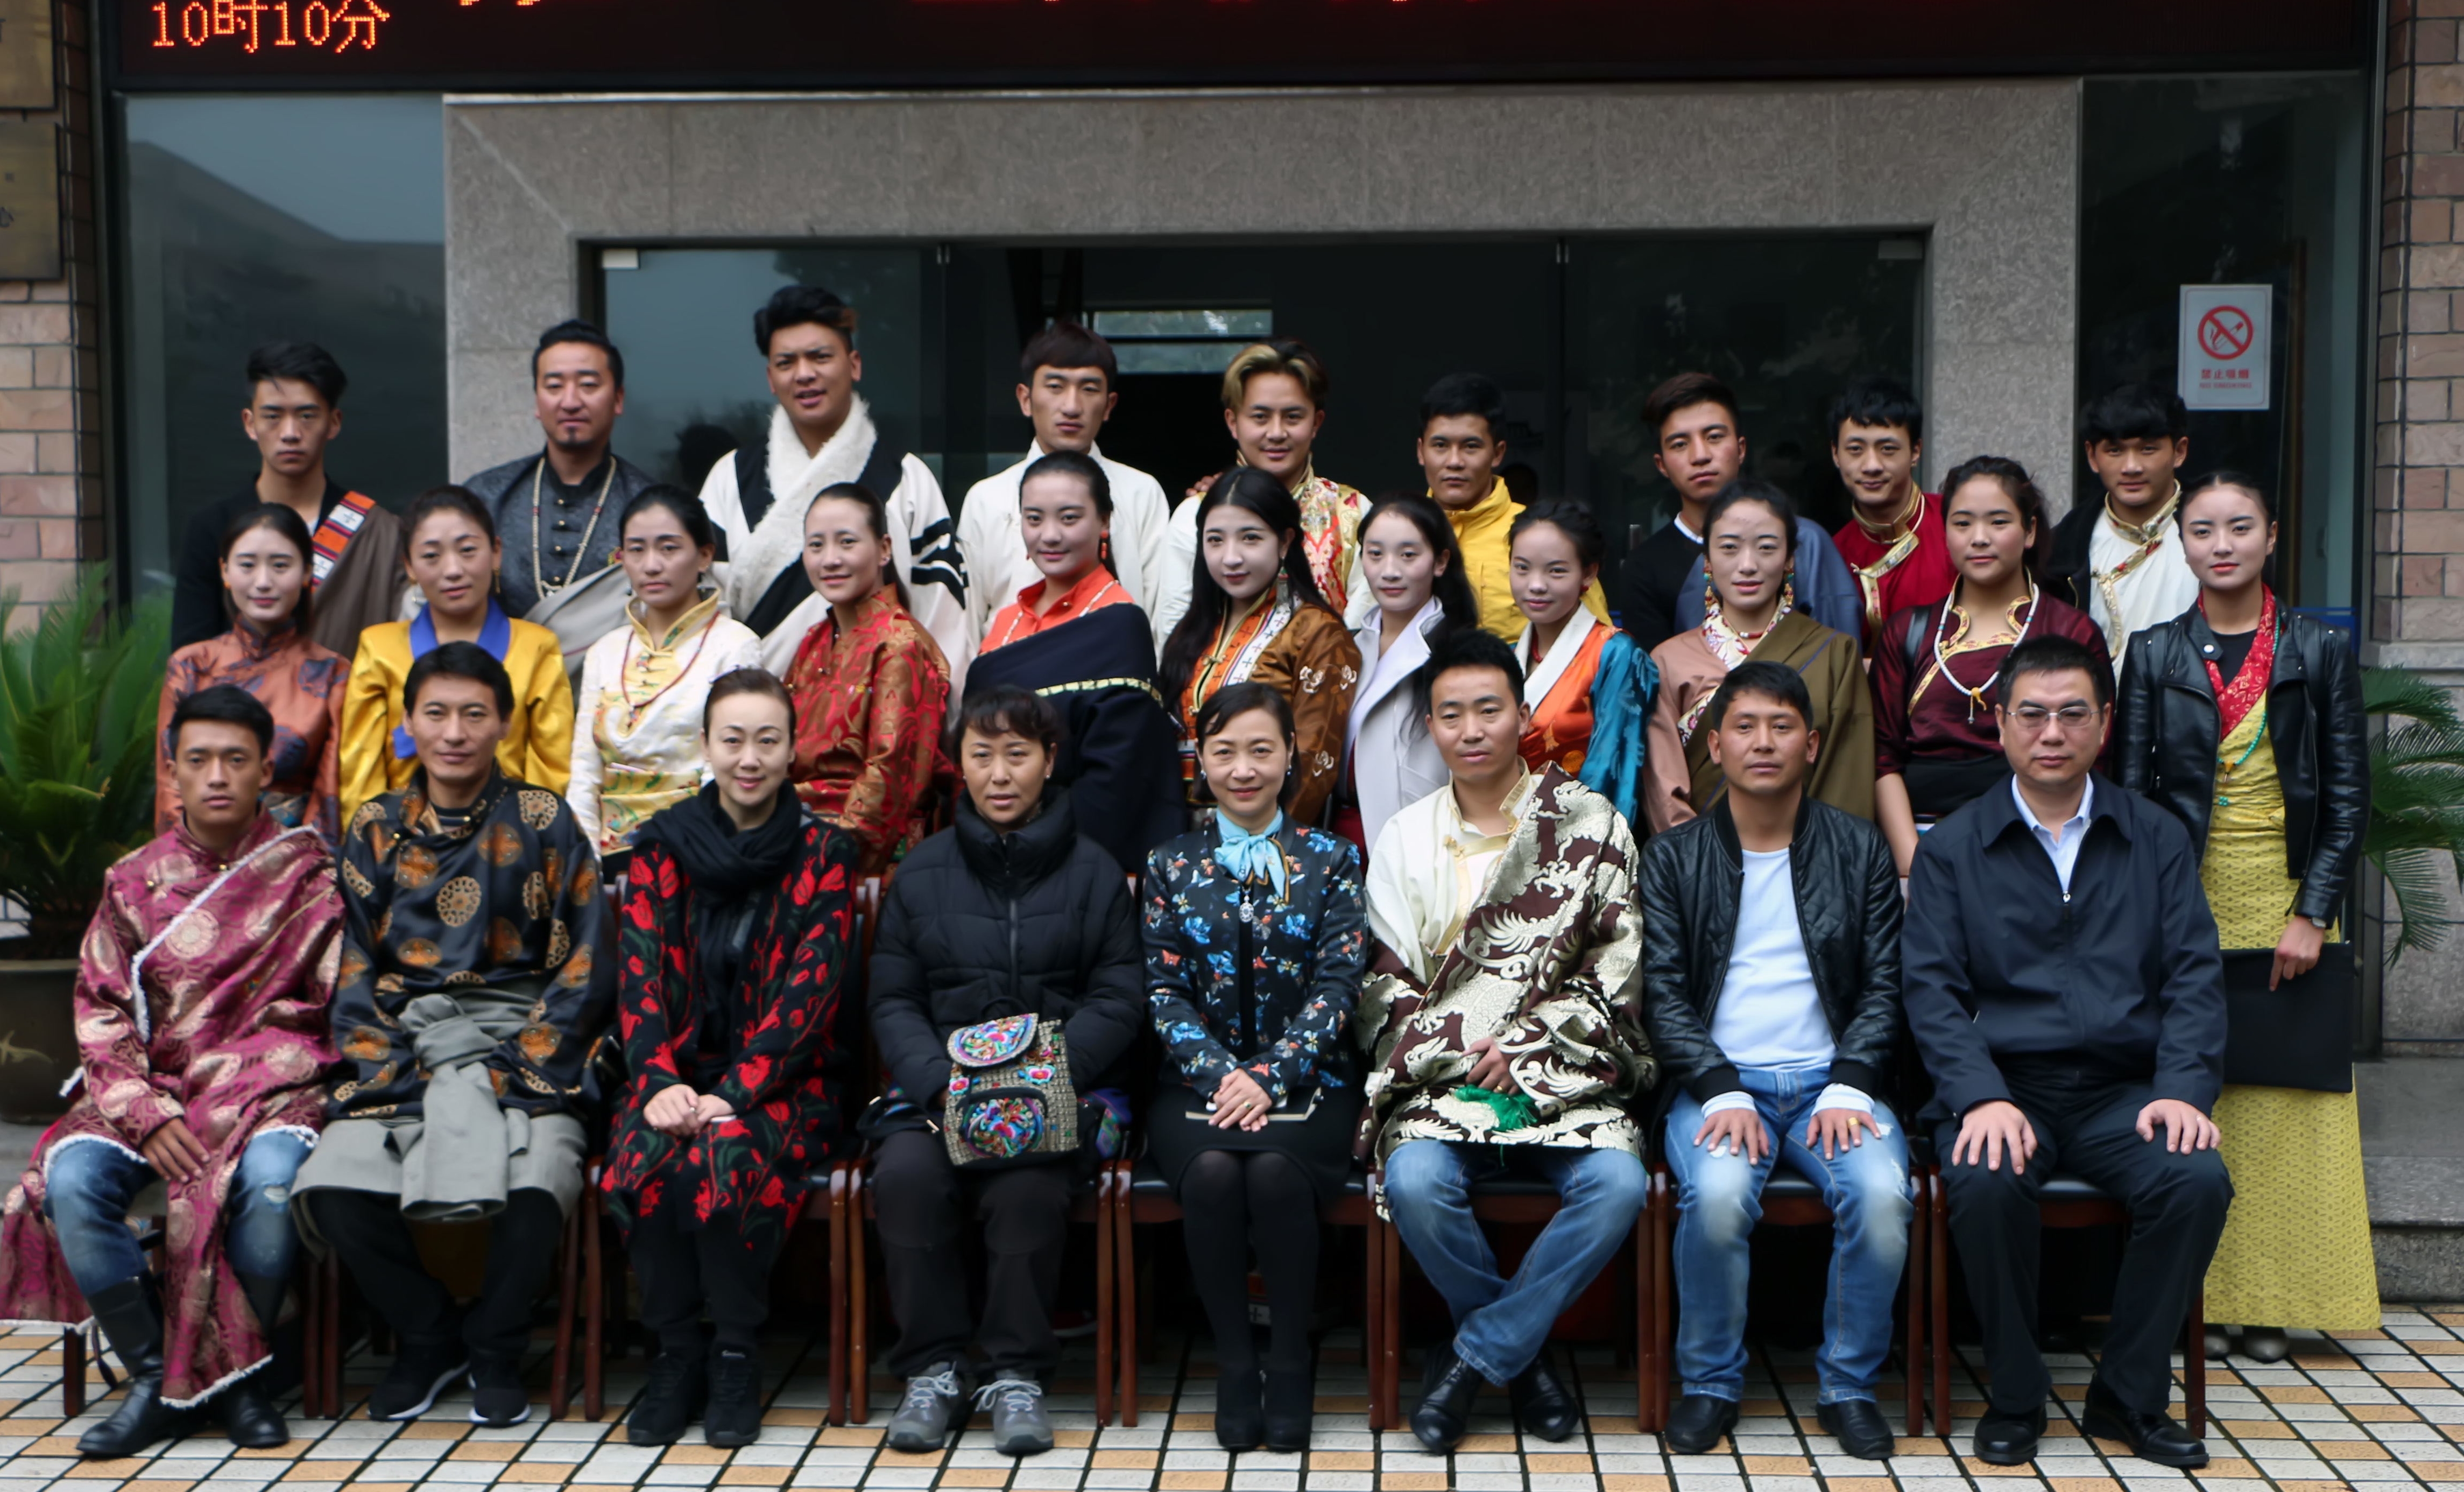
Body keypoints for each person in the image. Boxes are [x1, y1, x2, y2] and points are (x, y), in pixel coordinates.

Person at [1903, 634, 2232, 1470]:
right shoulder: (1952, 847)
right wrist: (1978, 1095)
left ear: (2103, 724)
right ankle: (2015, 1396)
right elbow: (1931, 992)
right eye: (2032, 714)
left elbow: (2193, 978)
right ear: (1999, 725)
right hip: (2004, 1085)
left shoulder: (2153, 837)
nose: (2051, 732)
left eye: (2071, 714)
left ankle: (2125, 1395)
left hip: (2124, 1090)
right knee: (1982, 1178)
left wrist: (2180, 1090)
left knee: (2194, 1179)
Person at [0, 687, 341, 1456]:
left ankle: (240, 1381)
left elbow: (333, 1005)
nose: (217, 775)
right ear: (174, 772)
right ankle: (159, 1380)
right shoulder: (132, 881)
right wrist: (144, 1112)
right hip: (151, 1091)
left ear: (266, 772)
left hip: (270, 1092)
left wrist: (252, 1079)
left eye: (236, 760)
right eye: (199, 760)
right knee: (72, 1180)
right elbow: (101, 1009)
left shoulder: (310, 872)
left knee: (271, 1183)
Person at [295, 643, 615, 1430]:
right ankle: (427, 1335)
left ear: (503, 723)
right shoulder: (374, 827)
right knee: (332, 1186)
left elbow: (585, 963)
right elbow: (351, 967)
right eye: (435, 713)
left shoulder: (544, 820)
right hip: (406, 1047)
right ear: (407, 722)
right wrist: (396, 1067)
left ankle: (497, 1347)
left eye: (475, 714)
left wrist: (513, 1068)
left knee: (539, 1183)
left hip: (519, 1042)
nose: (455, 732)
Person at [1360, 629, 1653, 1454]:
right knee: (1414, 1180)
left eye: (1488, 709)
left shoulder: (1590, 824)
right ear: (1429, 726)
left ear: (1522, 714)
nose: (1471, 729)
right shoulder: (1403, 837)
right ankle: (1521, 1366)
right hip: (1444, 1077)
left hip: (1562, 1074)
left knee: (1616, 1183)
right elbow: (1383, 986)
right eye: (1450, 714)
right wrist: (1467, 1050)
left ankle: (1473, 1359)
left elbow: (1618, 973)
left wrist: (1530, 1050)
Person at [2115, 474, 2375, 1361]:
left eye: (2238, 527)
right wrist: (2148, 913)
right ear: (2179, 544)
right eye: (2200, 530)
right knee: (2199, 1092)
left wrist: (2313, 911)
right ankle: (2201, 1298)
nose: (2219, 544)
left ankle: (2272, 1304)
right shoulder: (2153, 652)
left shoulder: (2316, 649)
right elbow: (2131, 797)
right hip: (2184, 894)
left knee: (2285, 1100)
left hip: (2285, 893)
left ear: (2269, 537)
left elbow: (2345, 796)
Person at [1636, 661, 1910, 1461]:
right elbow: (1662, 994)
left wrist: (1851, 1083)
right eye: (1745, 727)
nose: (1763, 743)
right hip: (1720, 1087)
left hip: (1833, 1086)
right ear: (1713, 745)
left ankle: (1849, 1387)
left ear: (1811, 745)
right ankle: (1710, 1384)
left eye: (1781, 727)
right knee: (1718, 1198)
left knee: (1881, 1196)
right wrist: (1718, 1088)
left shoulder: (1857, 848)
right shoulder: (1672, 858)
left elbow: (1884, 984)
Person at [868, 687, 1143, 1460]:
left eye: (1017, 755)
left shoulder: (1093, 873)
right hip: (938, 1094)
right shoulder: (921, 873)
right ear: (958, 764)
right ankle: (933, 1369)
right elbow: (894, 999)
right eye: (981, 755)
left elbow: (1119, 997)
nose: (999, 774)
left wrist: (1044, 1080)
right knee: (907, 1177)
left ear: (1049, 762)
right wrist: (943, 1085)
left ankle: (1014, 1375)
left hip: (1059, 1094)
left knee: (1026, 1185)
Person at [602, 669, 859, 1447]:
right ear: (706, 746)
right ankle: (677, 1353)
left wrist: (738, 1092)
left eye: (767, 741)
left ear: (792, 750)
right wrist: (657, 1082)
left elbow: (811, 996)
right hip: (674, 1076)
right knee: (646, 1157)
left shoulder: (825, 852)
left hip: (787, 1084)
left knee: (721, 1157)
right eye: (733, 740)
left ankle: (737, 1354)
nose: (750, 759)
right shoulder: (659, 847)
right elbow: (639, 976)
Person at [1141, 682, 1367, 1454]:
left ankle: (1291, 1361)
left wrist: (1270, 1075)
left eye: (1260, 750)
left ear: (1290, 755)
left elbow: (1339, 985)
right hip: (1192, 1084)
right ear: (1200, 761)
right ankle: (1235, 1366)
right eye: (1225, 752)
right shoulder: (1169, 863)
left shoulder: (1332, 859)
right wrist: (1219, 1074)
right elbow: (1163, 990)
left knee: (1274, 1173)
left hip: (1312, 1081)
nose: (1243, 769)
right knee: (1210, 1174)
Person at [698, 286, 970, 676]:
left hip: (880, 701)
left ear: (854, 364)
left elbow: (942, 614)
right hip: (753, 703)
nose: (804, 374)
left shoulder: (905, 477)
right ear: (771, 378)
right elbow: (706, 611)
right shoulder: (731, 477)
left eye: (820, 357)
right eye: (786, 362)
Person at [1870, 457, 2106, 876]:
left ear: (2029, 531)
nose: (1979, 538)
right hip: (1925, 844)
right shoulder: (1908, 632)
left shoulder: (2070, 631)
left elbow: (2096, 754)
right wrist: (1914, 865)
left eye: (1998, 522)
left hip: (2043, 847)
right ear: (1945, 533)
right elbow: (1882, 757)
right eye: (1962, 524)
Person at [969, 450, 1185, 876]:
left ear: (1104, 521)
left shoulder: (1120, 622)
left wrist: (1034, 843)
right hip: (988, 847)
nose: (1049, 535)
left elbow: (1117, 774)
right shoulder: (1005, 622)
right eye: (1034, 519)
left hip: (1073, 856)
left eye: (1069, 518)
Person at [1643, 481, 1873, 832]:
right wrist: (1694, 855)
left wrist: (1820, 855)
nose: (1747, 565)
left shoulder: (1835, 653)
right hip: (1697, 855)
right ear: (1707, 560)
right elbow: (1663, 791)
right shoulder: (1668, 661)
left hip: (1813, 853)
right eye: (1729, 548)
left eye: (1766, 548)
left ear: (1789, 559)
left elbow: (1847, 778)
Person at [339, 486, 574, 824]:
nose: (452, 570)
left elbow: (551, 767)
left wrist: (533, 838)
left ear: (496, 552)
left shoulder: (537, 647)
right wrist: (372, 841)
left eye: (467, 551)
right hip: (405, 836)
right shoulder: (379, 649)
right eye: (431, 556)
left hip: (509, 836)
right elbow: (360, 771)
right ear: (409, 565)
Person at [566, 486, 763, 874]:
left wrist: (688, 858)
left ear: (704, 555)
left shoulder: (735, 645)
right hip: (605, 858)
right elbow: (585, 771)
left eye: (669, 548)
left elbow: (730, 766)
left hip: (696, 853)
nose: (651, 565)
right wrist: (585, 868)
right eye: (636, 550)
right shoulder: (605, 651)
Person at [172, 341, 406, 656]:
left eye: (307, 416)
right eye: (273, 416)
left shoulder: (379, 532)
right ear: (250, 423)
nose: (290, 433)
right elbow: (191, 658)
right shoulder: (211, 528)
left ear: (334, 422)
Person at [1159, 469, 1361, 827]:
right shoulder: (1192, 631)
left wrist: (1261, 847)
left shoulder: (1317, 632)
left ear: (1285, 542)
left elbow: (1313, 763)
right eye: (1215, 540)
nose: (1230, 557)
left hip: (1267, 839)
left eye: (1250, 538)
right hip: (1179, 836)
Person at [780, 482, 953, 877]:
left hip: (857, 854)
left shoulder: (899, 644)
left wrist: (834, 861)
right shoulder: (813, 641)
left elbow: (890, 773)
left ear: (884, 549)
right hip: (791, 834)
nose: (830, 559)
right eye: (816, 545)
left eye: (847, 542)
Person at [960, 322, 1171, 643]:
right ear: (1026, 399)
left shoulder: (1142, 492)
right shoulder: (986, 498)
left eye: (1089, 389)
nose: (1072, 407)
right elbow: (967, 625)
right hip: (1007, 669)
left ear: (1109, 405)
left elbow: (1161, 617)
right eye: (1056, 387)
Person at [1617, 372, 1860, 650]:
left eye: (1714, 437)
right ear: (1661, 465)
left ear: (1741, 449)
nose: (1700, 456)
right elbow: (1660, 672)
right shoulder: (1645, 568)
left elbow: (1839, 659)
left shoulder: (1805, 540)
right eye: (1680, 444)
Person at [462, 321, 661, 653]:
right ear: (537, 401)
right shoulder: (485, 496)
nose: (570, 402)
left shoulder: (650, 505)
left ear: (618, 399)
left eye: (588, 385)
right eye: (554, 386)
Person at [157, 504, 350, 843]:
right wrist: (187, 863)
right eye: (247, 565)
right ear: (225, 571)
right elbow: (171, 783)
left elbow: (329, 791)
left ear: (307, 572)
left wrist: (304, 862)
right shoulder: (191, 665)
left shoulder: (332, 672)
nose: (263, 582)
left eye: (280, 566)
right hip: (201, 853)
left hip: (296, 855)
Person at [1160, 339, 1372, 638]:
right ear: (1233, 422)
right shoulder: (1196, 515)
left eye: (1293, 417)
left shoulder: (1352, 512)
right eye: (1260, 417)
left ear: (1316, 423)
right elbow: (1174, 631)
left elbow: (1366, 633)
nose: (1276, 433)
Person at [1414, 373, 1607, 641]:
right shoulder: (1398, 534)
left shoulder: (1544, 534)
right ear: (1421, 451)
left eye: (1471, 446)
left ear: (1498, 453)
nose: (1454, 461)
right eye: (1440, 446)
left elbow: (1596, 645)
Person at [1342, 495, 1479, 854]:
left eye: (1407, 555)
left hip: (1426, 848)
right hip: (1342, 840)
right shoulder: (1346, 649)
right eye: (1375, 554)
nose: (1389, 571)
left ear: (1440, 562)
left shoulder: (1462, 654)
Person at [1509, 501, 1656, 826]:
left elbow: (1612, 772)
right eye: (1522, 568)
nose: (1536, 584)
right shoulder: (1507, 657)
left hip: (1578, 839)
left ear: (1588, 573)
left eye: (1556, 571)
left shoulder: (1616, 654)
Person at [2046, 383, 2199, 673]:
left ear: (2179, 451)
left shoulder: (2217, 533)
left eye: (2148, 449)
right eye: (2115, 451)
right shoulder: (2065, 546)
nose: (2131, 467)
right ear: (2093, 457)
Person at [1826, 376, 1952, 649]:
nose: (1872, 465)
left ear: (1915, 451)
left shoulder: (1955, 524)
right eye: (1855, 450)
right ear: (1836, 454)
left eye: (1888, 449)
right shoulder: (1832, 555)